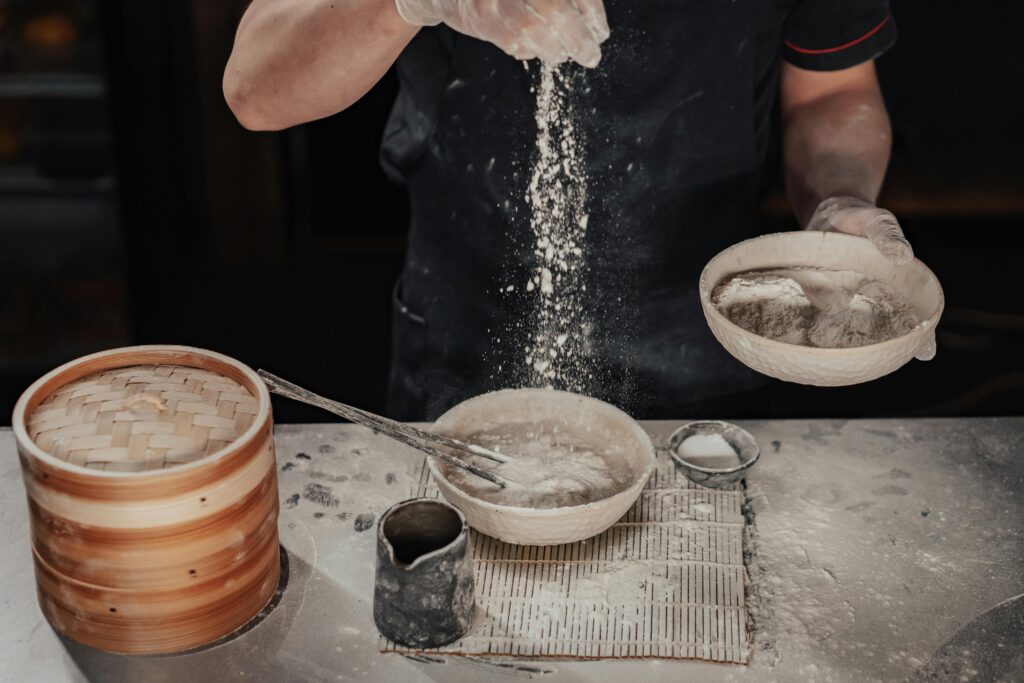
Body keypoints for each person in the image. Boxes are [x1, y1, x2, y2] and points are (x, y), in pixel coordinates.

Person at [224, 0, 934, 420]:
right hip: (465, 339)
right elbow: (256, 88)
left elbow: (832, 93)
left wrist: (840, 195)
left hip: (709, 337)